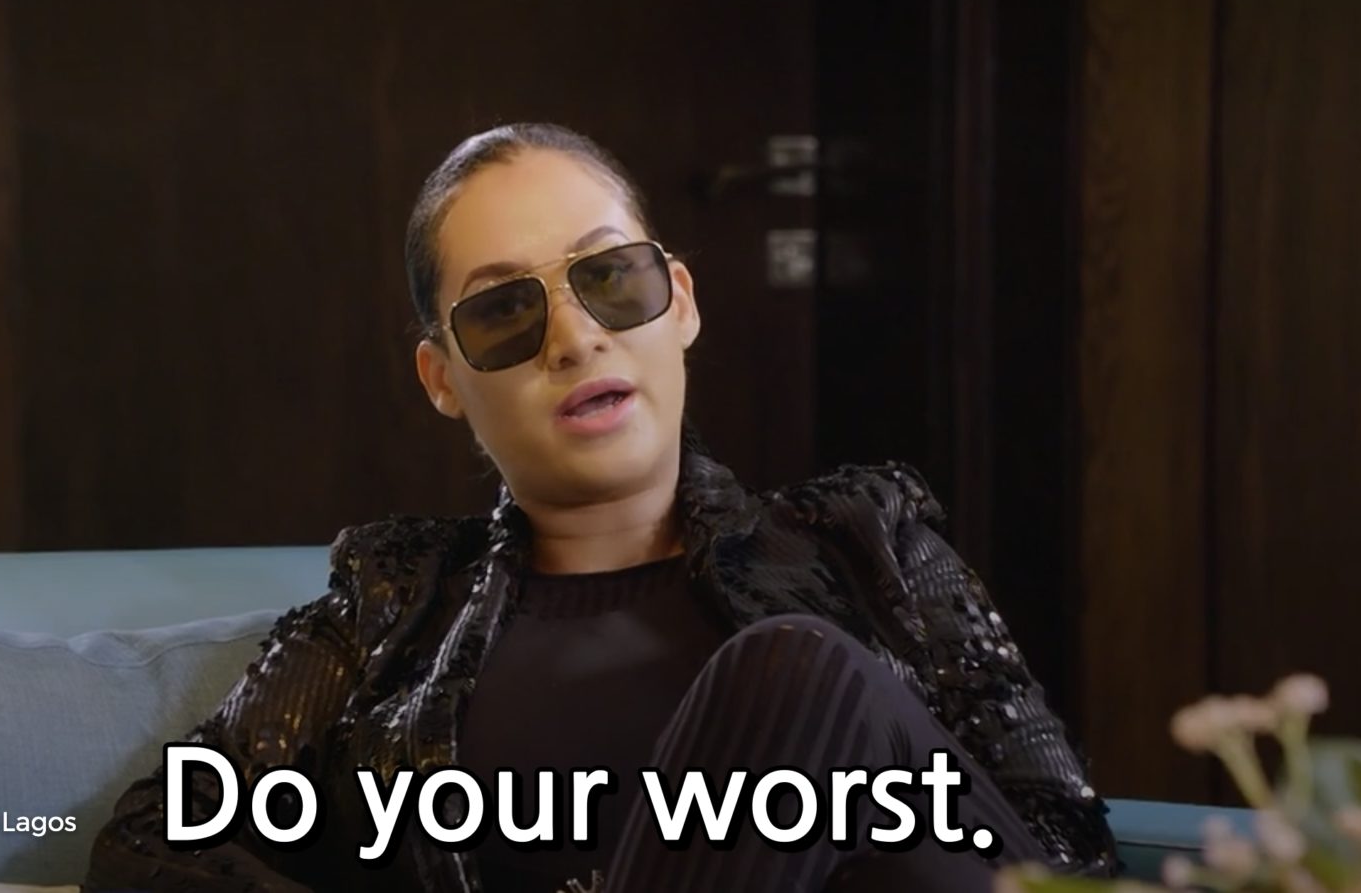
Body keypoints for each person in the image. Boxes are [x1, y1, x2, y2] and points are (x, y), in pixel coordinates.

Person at [82, 123, 1117, 892]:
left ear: (682, 302)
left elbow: (1067, 851)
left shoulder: (864, 541)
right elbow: (148, 846)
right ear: (442, 379)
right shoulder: (389, 610)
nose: (576, 337)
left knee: (798, 671)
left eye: (611, 278)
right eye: (504, 311)